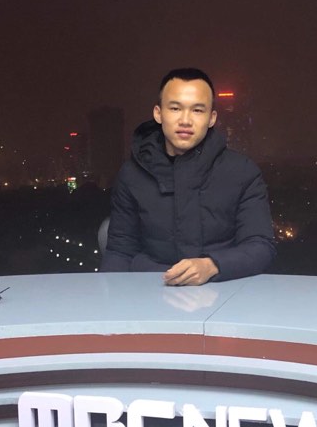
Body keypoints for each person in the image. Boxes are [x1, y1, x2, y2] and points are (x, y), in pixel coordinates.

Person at [100, 68, 275, 285]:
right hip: (150, 289)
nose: (185, 120)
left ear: (211, 118)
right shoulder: (132, 174)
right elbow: (120, 251)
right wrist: (109, 300)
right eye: (175, 108)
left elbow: (260, 246)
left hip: (224, 290)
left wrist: (213, 265)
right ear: (158, 113)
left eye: (197, 110)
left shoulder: (242, 171)